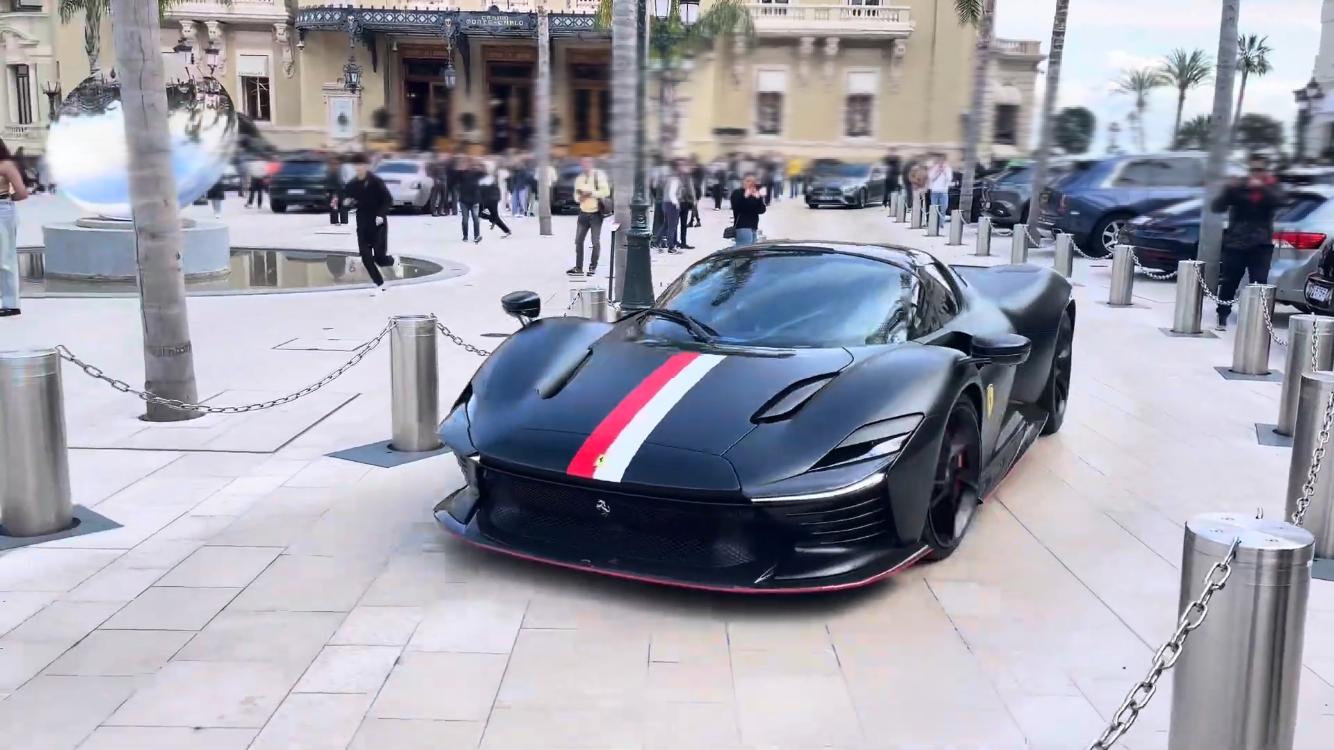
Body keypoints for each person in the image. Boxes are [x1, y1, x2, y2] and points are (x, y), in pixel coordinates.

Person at [1213, 155, 1284, 330]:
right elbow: (1217, 206)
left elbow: (1280, 201)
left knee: (1259, 284)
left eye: (1259, 170)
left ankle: (1255, 322)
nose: (1255, 173)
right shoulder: (1240, 187)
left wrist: (1262, 188)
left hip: (1261, 245)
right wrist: (1228, 189)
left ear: (1265, 171)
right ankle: (1222, 315)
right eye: (1253, 170)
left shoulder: (1272, 187)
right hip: (1236, 242)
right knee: (1230, 281)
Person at [342, 153, 395, 296]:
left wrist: (380, 214)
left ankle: (391, 261)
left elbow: (388, 200)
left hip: (378, 223)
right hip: (362, 222)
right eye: (356, 165)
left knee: (379, 258)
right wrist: (346, 203)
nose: (359, 168)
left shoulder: (376, 182)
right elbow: (347, 200)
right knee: (365, 256)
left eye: (361, 165)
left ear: (366, 166)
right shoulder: (352, 184)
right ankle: (380, 283)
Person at [0, 139, 31, 317]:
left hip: (2, 210)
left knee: (5, 258)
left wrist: (7, 200)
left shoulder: (6, 165)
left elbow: (22, 192)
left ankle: (11, 304)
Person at [571, 156, 610, 276]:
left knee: (595, 242)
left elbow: (606, 192)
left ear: (592, 163)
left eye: (587, 162)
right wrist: (580, 197)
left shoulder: (599, 176)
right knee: (578, 241)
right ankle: (578, 267)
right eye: (583, 163)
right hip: (583, 213)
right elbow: (576, 196)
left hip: (596, 214)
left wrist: (591, 193)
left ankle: (593, 267)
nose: (585, 165)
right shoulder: (580, 178)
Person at [729, 174, 766, 248]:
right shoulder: (737, 193)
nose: (751, 183)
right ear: (743, 182)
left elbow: (762, 210)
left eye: (753, 181)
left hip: (754, 226)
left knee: (752, 250)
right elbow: (737, 207)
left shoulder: (755, 193)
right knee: (744, 249)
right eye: (748, 181)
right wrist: (745, 197)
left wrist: (758, 199)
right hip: (742, 225)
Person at [653, 161, 683, 254]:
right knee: (672, 226)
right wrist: (676, 204)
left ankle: (656, 242)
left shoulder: (669, 179)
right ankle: (671, 247)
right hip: (671, 204)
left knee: (666, 224)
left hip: (665, 203)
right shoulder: (675, 180)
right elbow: (672, 194)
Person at [478, 162, 512, 239]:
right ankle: (506, 230)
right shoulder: (489, 177)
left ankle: (495, 221)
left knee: (480, 213)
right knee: (494, 216)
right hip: (490, 199)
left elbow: (484, 188)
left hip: (488, 200)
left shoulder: (490, 178)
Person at [456, 157, 483, 244]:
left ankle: (476, 236)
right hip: (464, 200)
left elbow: (483, 173)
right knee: (465, 220)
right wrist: (460, 170)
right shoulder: (461, 174)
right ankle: (465, 236)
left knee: (476, 219)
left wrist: (479, 165)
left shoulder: (476, 173)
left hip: (475, 200)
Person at [927, 154, 953, 224]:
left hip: (944, 191)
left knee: (944, 208)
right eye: (940, 161)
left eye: (943, 161)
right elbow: (930, 178)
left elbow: (949, 179)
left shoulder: (948, 169)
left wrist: (944, 172)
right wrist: (937, 172)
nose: (941, 163)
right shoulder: (934, 168)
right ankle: (934, 223)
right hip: (935, 191)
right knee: (934, 208)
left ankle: (941, 223)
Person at [677, 164, 698, 250]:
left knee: (675, 224)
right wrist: (693, 200)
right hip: (684, 202)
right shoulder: (687, 177)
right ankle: (683, 242)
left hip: (677, 202)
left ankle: (675, 242)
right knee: (683, 224)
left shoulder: (675, 176)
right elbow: (691, 190)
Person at [325, 157, 349, 225]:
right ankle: (337, 221)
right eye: (333, 163)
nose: (334, 165)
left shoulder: (340, 170)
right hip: (335, 191)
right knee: (336, 207)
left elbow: (345, 180)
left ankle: (341, 221)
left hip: (339, 190)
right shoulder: (330, 171)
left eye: (336, 163)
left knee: (341, 206)